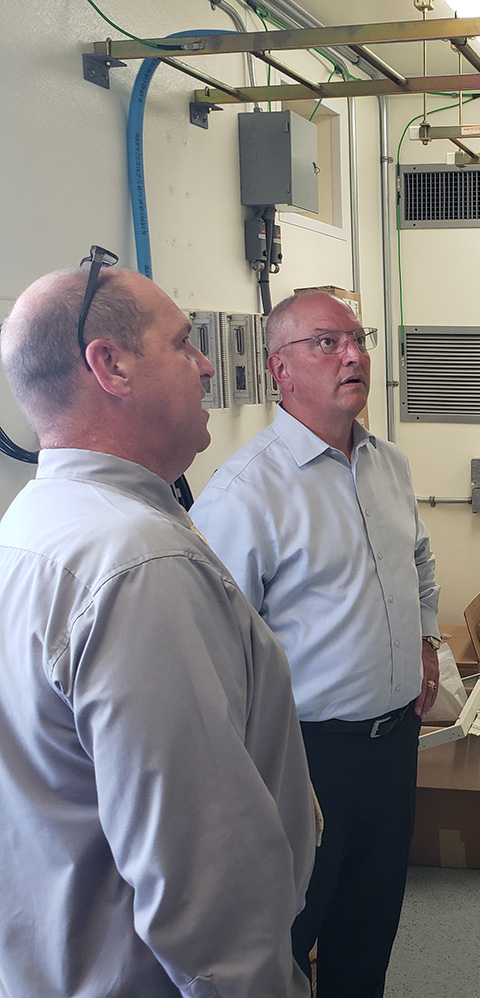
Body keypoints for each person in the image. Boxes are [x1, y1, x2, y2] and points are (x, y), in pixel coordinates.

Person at [0, 254, 316, 998]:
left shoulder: (31, 528)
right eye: (183, 344)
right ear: (109, 365)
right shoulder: (138, 564)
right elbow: (205, 883)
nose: (208, 368)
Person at [190, 289, 441, 998]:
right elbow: (217, 649)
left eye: (357, 338)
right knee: (288, 937)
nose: (353, 354)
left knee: (369, 932)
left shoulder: (388, 465)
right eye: (327, 343)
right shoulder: (243, 493)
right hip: (303, 761)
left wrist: (424, 642)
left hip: (393, 748)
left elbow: (419, 563)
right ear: (280, 369)